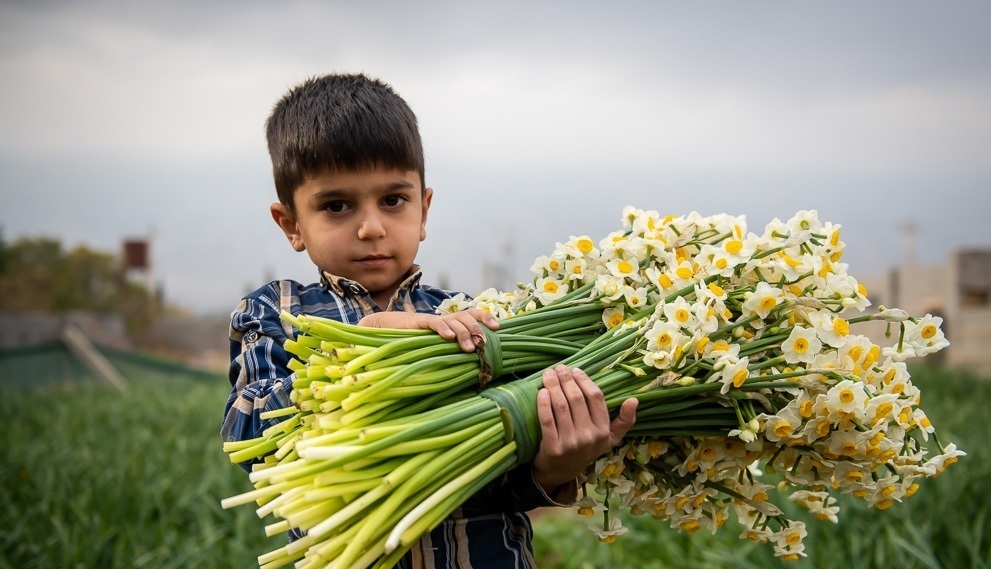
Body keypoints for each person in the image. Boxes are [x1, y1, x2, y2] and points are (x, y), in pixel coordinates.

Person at [221, 72, 638, 568]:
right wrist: (363, 344)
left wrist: (554, 467)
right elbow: (249, 438)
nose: (371, 227)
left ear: (423, 210)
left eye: (393, 200)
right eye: (336, 206)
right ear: (291, 224)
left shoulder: (474, 322)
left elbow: (504, 483)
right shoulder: (276, 312)